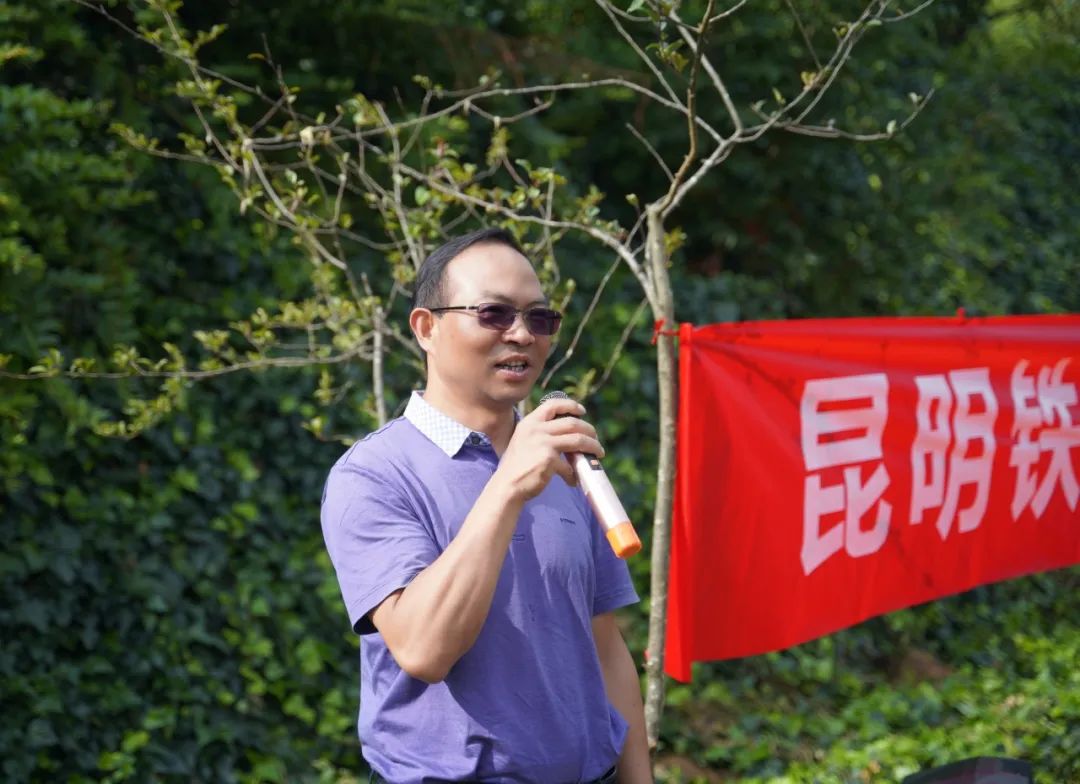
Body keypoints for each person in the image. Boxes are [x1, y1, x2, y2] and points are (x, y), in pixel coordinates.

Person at [320, 227, 652, 784]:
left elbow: (604, 646)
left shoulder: (565, 463)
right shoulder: (373, 474)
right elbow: (424, 650)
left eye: (539, 318)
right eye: (494, 314)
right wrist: (507, 486)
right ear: (426, 328)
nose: (521, 334)